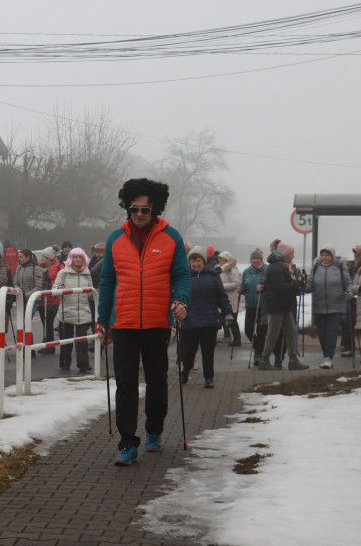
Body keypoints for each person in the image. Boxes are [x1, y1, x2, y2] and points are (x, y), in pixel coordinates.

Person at [96, 178, 190, 466]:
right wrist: (102, 320)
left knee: (157, 381)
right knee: (125, 383)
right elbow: (107, 281)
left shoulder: (170, 236)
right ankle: (127, 442)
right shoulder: (115, 238)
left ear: (155, 209)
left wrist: (181, 301)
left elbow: (182, 275)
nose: (138, 214)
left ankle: (154, 431)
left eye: (145, 209)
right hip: (123, 323)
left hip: (156, 322)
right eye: (134, 209)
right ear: (127, 208)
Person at [179, 247, 234, 388]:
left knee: (208, 351)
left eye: (198, 260)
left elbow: (221, 296)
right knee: (188, 351)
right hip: (189, 319)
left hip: (209, 319)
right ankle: (185, 372)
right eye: (192, 260)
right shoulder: (184, 276)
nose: (195, 263)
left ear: (203, 260)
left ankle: (208, 377)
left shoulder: (213, 276)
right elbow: (178, 296)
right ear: (189, 262)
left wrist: (227, 312)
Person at [258, 242, 309, 371]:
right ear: (285, 254)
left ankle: (293, 359)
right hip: (276, 306)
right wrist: (297, 282)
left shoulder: (285, 267)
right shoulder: (276, 268)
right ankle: (264, 360)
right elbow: (280, 288)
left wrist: (297, 282)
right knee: (273, 334)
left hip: (285, 306)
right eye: (291, 253)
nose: (293, 255)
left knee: (291, 332)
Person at [305, 244, 351, 369]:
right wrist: (301, 285)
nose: (324, 258)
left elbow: (348, 282)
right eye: (322, 255)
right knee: (322, 333)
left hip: (336, 305)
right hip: (319, 306)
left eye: (327, 255)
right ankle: (326, 355)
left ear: (332, 256)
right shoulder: (315, 267)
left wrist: (349, 291)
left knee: (331, 332)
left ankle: (328, 358)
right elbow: (309, 285)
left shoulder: (340, 267)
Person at [53, 247, 94, 373]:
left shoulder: (87, 273)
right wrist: (59, 288)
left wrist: (95, 292)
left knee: (82, 340)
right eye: (75, 257)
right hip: (67, 312)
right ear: (71, 259)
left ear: (84, 259)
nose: (78, 259)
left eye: (80, 257)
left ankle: (83, 364)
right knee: (66, 340)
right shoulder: (63, 273)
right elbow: (54, 292)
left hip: (83, 311)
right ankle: (65, 363)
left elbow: (90, 294)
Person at [239, 249, 268, 365]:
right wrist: (241, 290)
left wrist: (264, 289)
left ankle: (258, 353)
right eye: (253, 258)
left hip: (262, 306)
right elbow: (244, 285)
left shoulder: (266, 270)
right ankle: (260, 347)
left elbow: (271, 285)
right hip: (250, 305)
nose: (255, 260)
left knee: (261, 331)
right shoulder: (246, 272)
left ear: (261, 259)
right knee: (248, 330)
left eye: (257, 258)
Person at [36, 246, 64, 353]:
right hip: (42, 300)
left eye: (44, 256)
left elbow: (62, 282)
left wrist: (50, 283)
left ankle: (50, 345)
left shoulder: (59, 267)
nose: (42, 258)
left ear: (49, 258)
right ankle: (47, 341)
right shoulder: (39, 266)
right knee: (45, 321)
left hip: (54, 299)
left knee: (48, 320)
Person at [217, 251, 241, 346]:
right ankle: (230, 337)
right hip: (223, 299)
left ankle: (237, 339)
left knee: (232, 321)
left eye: (221, 259)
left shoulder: (232, 269)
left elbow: (236, 283)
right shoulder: (220, 269)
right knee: (224, 319)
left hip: (230, 299)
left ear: (226, 260)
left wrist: (221, 286)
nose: (219, 260)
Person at [14, 248, 46, 320]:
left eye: (21, 257)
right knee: (21, 322)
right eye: (18, 257)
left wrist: (26, 295)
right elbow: (15, 283)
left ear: (28, 257)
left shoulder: (36, 268)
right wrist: (19, 291)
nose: (19, 259)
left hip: (33, 300)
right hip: (21, 299)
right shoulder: (19, 268)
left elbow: (38, 287)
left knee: (26, 321)